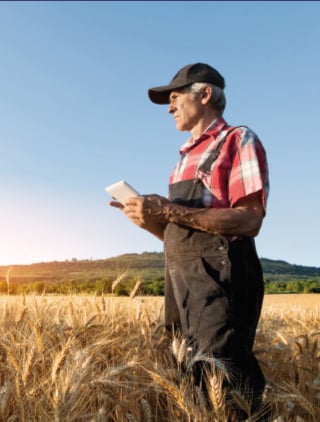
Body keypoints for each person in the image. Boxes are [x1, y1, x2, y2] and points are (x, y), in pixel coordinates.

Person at [109, 63, 269, 417]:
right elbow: (179, 234)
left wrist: (168, 210)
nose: (169, 107)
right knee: (188, 380)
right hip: (180, 284)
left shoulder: (237, 140)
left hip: (221, 281)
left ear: (205, 94)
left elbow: (250, 219)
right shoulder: (182, 160)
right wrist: (150, 221)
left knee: (228, 383)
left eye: (175, 97)